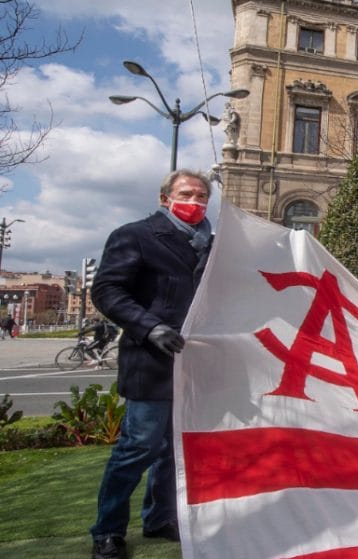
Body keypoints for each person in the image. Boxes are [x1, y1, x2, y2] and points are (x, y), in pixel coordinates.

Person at [89, 169, 213, 559]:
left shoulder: (212, 244)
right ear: (165, 198)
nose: (194, 202)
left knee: (171, 450)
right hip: (151, 360)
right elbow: (107, 290)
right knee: (138, 447)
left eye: (201, 196)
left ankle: (160, 518)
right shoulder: (135, 235)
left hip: (193, 363)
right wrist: (150, 326)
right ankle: (108, 531)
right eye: (186, 194)